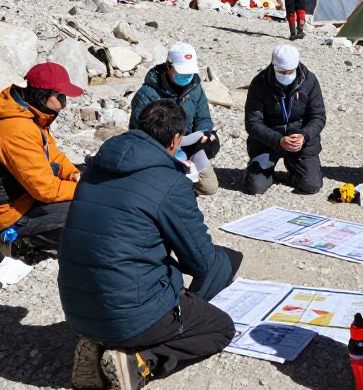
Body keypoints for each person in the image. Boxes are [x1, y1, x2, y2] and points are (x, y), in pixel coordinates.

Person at [59, 101, 238, 390]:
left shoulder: (94, 169)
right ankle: (139, 361)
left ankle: (98, 342)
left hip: (76, 309)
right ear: (177, 139)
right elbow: (202, 263)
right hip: (130, 315)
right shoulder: (169, 182)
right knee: (220, 327)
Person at [0, 63, 85, 254]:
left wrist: (76, 175)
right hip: (10, 217)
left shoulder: (32, 117)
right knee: (92, 210)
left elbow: (54, 157)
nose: (63, 104)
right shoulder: (16, 129)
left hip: (24, 199)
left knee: (87, 177)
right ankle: (19, 245)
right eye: (60, 97)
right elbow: (46, 190)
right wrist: (86, 188)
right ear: (41, 96)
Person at [129, 42, 220, 196]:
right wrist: (171, 152)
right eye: (181, 72)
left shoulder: (195, 87)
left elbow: (203, 117)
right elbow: (140, 134)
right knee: (169, 189)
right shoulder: (146, 94)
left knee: (209, 187)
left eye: (189, 72)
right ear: (168, 67)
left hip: (189, 144)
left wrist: (204, 135)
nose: (187, 77)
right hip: (160, 149)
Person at [243, 44, 325, 195]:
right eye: (281, 71)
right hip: (268, 142)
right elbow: (253, 123)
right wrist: (279, 140)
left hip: (300, 141)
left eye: (290, 71)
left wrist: (304, 136)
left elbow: (318, 116)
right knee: (255, 187)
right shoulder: (260, 83)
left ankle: (293, 165)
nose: (286, 75)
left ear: (297, 66)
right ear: (273, 65)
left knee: (311, 185)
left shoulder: (310, 81)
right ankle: (263, 170)